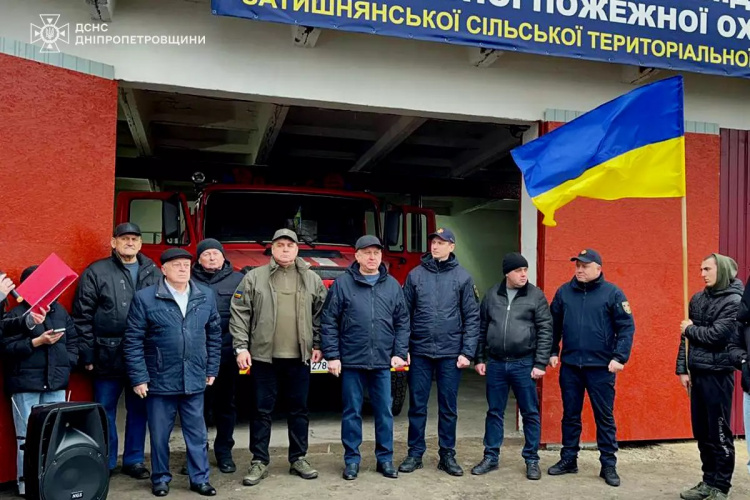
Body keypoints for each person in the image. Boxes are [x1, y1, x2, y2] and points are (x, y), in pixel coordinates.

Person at [229, 228, 328, 487]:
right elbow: (240, 313)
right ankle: (259, 461)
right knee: (261, 410)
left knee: (299, 410)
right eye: (280, 245)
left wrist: (318, 343)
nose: (285, 249)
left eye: (290, 245)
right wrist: (241, 347)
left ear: (297, 250)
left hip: (300, 357)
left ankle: (298, 458)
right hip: (264, 358)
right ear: (272, 249)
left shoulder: (311, 279)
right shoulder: (254, 277)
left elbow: (322, 314)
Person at [123, 248, 222, 497]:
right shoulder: (145, 298)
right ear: (163, 269)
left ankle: (200, 479)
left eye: (186, 265)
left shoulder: (205, 296)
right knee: (159, 435)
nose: (182, 269)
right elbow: (133, 340)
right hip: (159, 378)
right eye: (176, 265)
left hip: (195, 377)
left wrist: (212, 367)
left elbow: (214, 335)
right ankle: (160, 478)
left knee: (197, 435)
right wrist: (139, 377)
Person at [72, 222, 161, 478]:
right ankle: (107, 461)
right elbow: (82, 316)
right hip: (106, 353)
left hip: (143, 355)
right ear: (113, 243)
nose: (129, 243)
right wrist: (86, 354)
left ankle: (134, 461)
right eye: (124, 239)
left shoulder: (153, 271)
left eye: (134, 238)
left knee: (138, 411)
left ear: (141, 243)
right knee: (104, 411)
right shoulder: (96, 271)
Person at [321, 235, 410, 481]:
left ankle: (385, 459)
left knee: (384, 412)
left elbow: (403, 322)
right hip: (351, 361)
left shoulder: (392, 285)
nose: (372, 257)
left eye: (376, 253)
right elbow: (329, 321)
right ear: (357, 256)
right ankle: (351, 461)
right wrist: (333, 355)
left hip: (382, 362)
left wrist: (399, 353)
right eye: (367, 253)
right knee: (351, 412)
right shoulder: (342, 285)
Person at [547, 248, 635, 487]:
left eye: (585, 266)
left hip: (601, 368)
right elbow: (552, 325)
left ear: (598, 268)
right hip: (571, 367)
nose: (579, 269)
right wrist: (553, 351)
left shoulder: (613, 293)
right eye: (577, 265)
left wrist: (619, 357)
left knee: (604, 417)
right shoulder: (564, 292)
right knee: (570, 415)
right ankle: (569, 459)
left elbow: (626, 327)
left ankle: (608, 465)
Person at [397, 227, 480, 476]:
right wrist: (403, 348)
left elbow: (472, 317)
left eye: (441, 242)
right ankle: (415, 453)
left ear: (451, 247)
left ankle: (447, 455)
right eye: (433, 241)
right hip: (420, 351)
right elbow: (403, 316)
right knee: (417, 406)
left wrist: (468, 351)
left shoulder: (463, 278)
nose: (435, 246)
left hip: (450, 353)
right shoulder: (415, 276)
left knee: (448, 407)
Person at [471, 252, 553, 480]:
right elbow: (481, 327)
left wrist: (540, 362)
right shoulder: (492, 295)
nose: (523, 274)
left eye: (525, 270)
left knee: (530, 412)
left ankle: (532, 459)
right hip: (496, 363)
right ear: (507, 273)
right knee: (494, 412)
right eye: (518, 270)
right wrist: (479, 358)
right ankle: (491, 457)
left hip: (524, 363)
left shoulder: (536, 296)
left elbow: (546, 330)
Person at [1, 266, 78, 497]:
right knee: (27, 437)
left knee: (55, 435)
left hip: (55, 383)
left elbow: (73, 340)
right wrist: (36, 343)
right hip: (25, 384)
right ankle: (27, 485)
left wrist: (69, 363)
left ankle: (51, 481)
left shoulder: (60, 311)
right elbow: (5, 349)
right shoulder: (16, 315)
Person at [677, 254, 743, 500]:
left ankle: (721, 486)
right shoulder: (697, 298)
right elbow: (684, 340)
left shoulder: (734, 301)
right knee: (702, 431)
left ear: (722, 270)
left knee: (719, 432)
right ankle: (707, 481)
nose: (702, 273)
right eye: (700, 268)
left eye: (707, 269)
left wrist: (690, 329)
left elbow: (718, 335)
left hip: (718, 375)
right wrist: (682, 369)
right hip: (697, 374)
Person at [181, 238, 244, 475]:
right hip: (195, 356)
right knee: (196, 408)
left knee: (226, 407)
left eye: (215, 254)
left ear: (223, 256)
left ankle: (224, 453)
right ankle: (196, 455)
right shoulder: (187, 279)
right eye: (206, 254)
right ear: (198, 258)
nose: (211, 258)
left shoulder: (239, 280)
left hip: (227, 356)